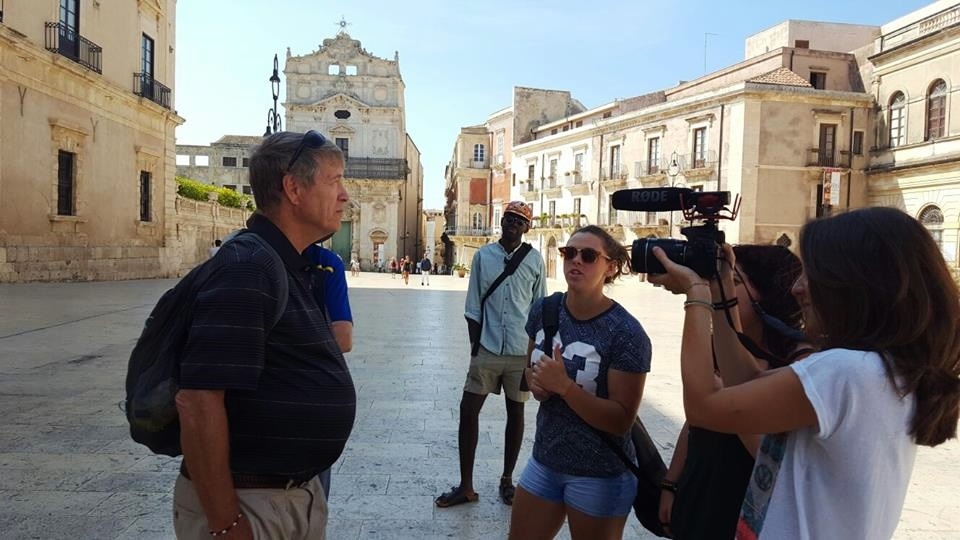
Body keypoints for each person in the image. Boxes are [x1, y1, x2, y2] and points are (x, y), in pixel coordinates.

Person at [647, 206, 960, 540]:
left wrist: (697, 296)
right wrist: (722, 288)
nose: (797, 288)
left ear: (856, 284)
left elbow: (704, 407)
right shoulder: (881, 369)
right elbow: (745, 382)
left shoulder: (845, 372)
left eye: (812, 274)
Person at [173, 130, 357, 540]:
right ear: (293, 188)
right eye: (334, 181)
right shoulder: (249, 267)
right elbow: (198, 400)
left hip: (288, 497)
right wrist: (226, 524)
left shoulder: (287, 264)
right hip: (250, 506)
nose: (345, 196)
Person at [508, 225, 652, 540]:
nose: (576, 261)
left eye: (588, 255)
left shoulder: (626, 333)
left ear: (610, 267)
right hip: (545, 460)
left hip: (599, 474)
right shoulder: (544, 309)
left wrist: (566, 388)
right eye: (568, 253)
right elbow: (529, 368)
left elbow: (621, 419)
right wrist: (537, 384)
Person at [660, 244, 811, 540]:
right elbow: (695, 422)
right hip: (700, 486)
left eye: (735, 282)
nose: (722, 288)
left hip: (743, 499)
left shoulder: (799, 362)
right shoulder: (724, 348)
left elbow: (767, 454)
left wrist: (698, 296)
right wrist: (670, 482)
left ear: (768, 294)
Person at [436, 200, 546, 508]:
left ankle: (507, 480)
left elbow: (539, 310)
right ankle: (466, 486)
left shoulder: (535, 261)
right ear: (502, 222)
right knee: (468, 410)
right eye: (508, 218)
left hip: (519, 352)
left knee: (517, 413)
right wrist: (475, 350)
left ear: (527, 227)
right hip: (487, 346)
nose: (512, 223)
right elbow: (472, 307)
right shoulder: (484, 257)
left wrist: (533, 357)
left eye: (519, 220)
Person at [305, 237, 355, 499]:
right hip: (311, 405)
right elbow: (343, 339)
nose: (343, 195)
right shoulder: (326, 263)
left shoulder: (329, 263)